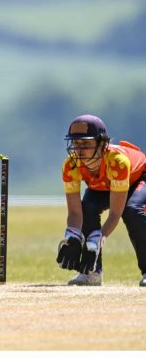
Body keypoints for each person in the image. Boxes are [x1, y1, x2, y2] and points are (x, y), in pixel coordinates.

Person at [56, 114, 146, 286]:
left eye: (86, 143)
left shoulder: (118, 162)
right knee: (86, 209)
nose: (78, 150)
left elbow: (115, 214)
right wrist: (73, 237)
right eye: (75, 143)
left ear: (102, 144)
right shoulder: (70, 165)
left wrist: (96, 241)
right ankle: (92, 273)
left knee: (132, 210)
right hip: (103, 185)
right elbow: (75, 212)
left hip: (137, 179)